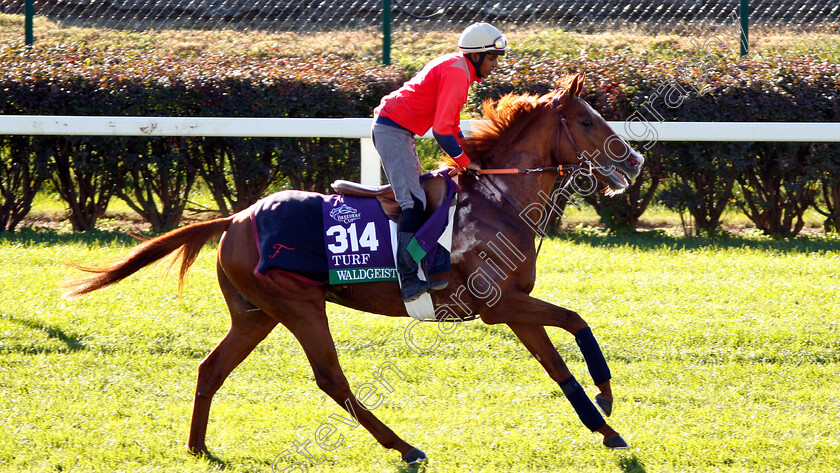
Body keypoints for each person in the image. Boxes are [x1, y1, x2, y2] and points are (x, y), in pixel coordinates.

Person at [371, 22, 509, 302]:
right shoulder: (458, 73)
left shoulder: (459, 68)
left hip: (399, 130)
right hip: (392, 130)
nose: (496, 65)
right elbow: (442, 131)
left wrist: (468, 156)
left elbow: (452, 125)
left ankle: (426, 265)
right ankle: (408, 280)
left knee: (427, 199)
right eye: (492, 58)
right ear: (477, 55)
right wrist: (465, 161)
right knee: (414, 203)